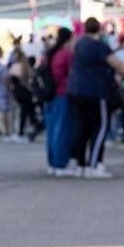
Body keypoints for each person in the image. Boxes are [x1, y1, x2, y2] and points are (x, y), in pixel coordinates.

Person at [64, 17, 124, 179]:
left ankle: (80, 164)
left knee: (82, 128)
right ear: (99, 29)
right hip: (95, 92)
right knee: (100, 127)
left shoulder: (79, 45)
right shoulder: (99, 46)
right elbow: (119, 65)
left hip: (75, 91)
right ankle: (94, 164)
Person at [43, 27, 76, 175]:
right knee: (62, 129)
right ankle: (60, 163)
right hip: (63, 94)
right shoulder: (66, 55)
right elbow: (73, 74)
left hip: (48, 95)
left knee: (52, 130)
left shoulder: (49, 54)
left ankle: (52, 163)